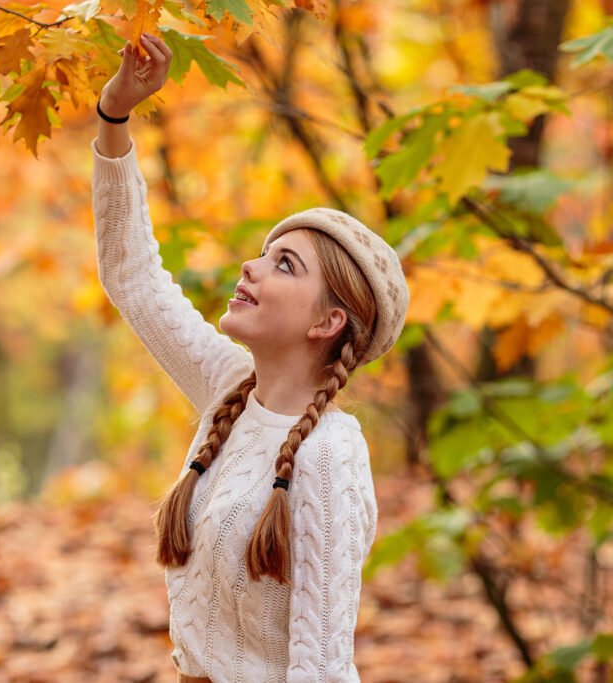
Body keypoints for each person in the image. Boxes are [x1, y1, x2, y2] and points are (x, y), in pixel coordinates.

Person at [91, 32, 410, 683]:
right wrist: (115, 115)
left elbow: (320, 665)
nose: (252, 267)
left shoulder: (329, 452)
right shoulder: (229, 389)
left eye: (284, 265)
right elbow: (132, 276)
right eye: (265, 253)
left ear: (328, 321)